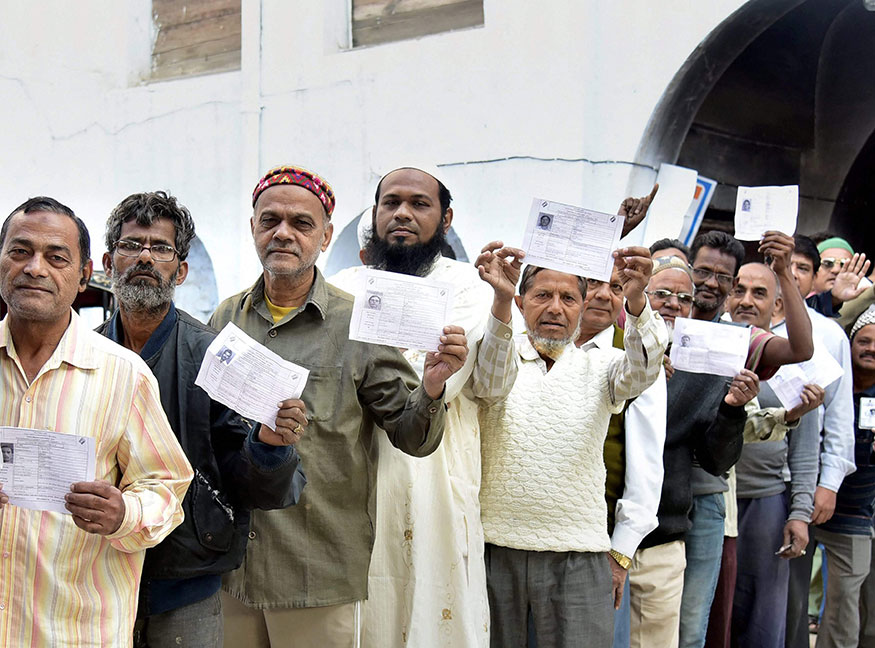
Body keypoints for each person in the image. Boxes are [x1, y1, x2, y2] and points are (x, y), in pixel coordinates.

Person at [210, 165, 469, 648]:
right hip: (233, 568)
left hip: (316, 571)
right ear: (252, 229)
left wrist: (431, 387)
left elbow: (413, 436)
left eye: (302, 224)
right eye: (270, 221)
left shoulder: (360, 322)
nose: (283, 233)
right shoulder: (226, 318)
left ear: (326, 236)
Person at [96, 191, 307, 647]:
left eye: (162, 248)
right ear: (109, 262)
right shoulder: (83, 355)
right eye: (132, 246)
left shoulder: (215, 355)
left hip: (186, 580)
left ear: (182, 269)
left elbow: (250, 483)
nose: (146, 258)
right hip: (96, 573)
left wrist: (269, 444)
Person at [0, 196, 193, 646]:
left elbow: (167, 487)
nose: (34, 268)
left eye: (56, 257)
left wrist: (123, 512)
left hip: (76, 630)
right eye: (20, 251)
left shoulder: (122, 374)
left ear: (85, 274)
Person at [330, 165, 495, 647]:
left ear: (446, 219)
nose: (402, 213)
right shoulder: (343, 284)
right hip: (354, 471)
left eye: (419, 204)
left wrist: (361, 358)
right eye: (391, 203)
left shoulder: (467, 286)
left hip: (434, 477)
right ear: (375, 214)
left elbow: (430, 379)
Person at [473, 242, 668, 648]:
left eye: (568, 298)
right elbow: (489, 381)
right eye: (543, 295)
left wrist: (635, 300)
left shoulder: (603, 366)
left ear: (583, 308)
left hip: (579, 556)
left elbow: (646, 369)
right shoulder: (496, 355)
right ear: (523, 300)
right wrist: (500, 299)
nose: (555, 308)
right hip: (492, 551)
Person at [677, 230, 812, 648]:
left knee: (692, 627)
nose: (711, 283)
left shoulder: (737, 340)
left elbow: (801, 349)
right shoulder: (655, 322)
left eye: (724, 277)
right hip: (648, 490)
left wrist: (784, 273)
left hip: (706, 493)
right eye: (702, 271)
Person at [627, 256, 760, 648]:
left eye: (683, 298)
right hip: (601, 535)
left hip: (663, 538)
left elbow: (716, 459)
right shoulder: (612, 350)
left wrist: (732, 408)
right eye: (662, 293)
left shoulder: (703, 369)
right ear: (639, 296)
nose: (672, 303)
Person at [725, 262, 820, 648]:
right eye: (740, 290)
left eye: (759, 293)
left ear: (778, 304)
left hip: (765, 503)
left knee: (760, 615)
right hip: (713, 500)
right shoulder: (704, 344)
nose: (746, 300)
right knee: (714, 612)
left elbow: (805, 448)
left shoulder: (793, 360)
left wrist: (799, 513)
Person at [575, 265, 667, 648]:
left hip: (600, 541)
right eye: (592, 282)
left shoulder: (637, 360)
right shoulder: (535, 344)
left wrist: (621, 554)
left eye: (614, 287)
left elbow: (646, 464)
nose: (601, 294)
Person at [778, 234, 857, 648]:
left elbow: (840, 415)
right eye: (782, 265)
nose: (789, 274)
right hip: (750, 478)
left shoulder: (828, 335)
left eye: (801, 268)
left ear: (812, 280)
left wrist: (828, 483)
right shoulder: (743, 324)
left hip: (801, 482)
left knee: (790, 597)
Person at [809, 305, 875, 648]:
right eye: (864, 340)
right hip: (805, 501)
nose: (871, 348)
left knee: (846, 603)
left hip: (855, 516)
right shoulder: (826, 379)